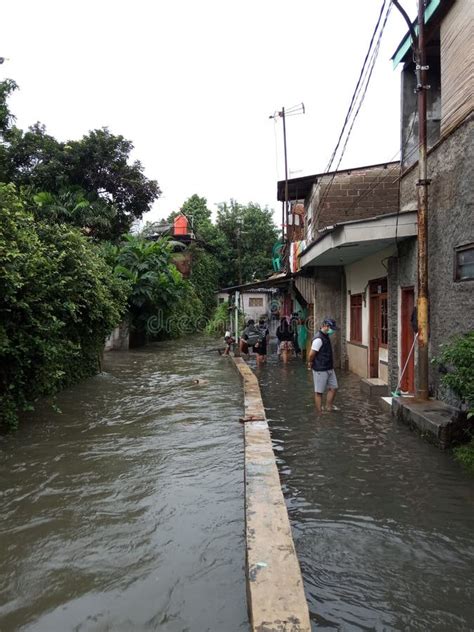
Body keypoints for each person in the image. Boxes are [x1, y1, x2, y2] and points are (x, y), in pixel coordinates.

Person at [307, 318, 338, 412]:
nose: (332, 330)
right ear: (325, 326)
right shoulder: (318, 339)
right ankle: (319, 412)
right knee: (319, 392)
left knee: (333, 388)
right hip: (320, 369)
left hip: (329, 367)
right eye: (331, 328)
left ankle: (328, 407)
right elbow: (311, 354)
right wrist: (310, 362)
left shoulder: (326, 336)